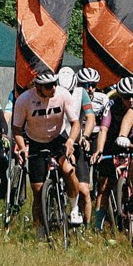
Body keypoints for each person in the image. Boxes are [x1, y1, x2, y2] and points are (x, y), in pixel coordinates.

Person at [12, 65, 90, 234]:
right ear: (38, 87)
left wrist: (70, 141)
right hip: (36, 142)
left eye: (54, 83)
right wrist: (22, 147)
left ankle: (74, 208)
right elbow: (16, 129)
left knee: (68, 171)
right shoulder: (24, 100)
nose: (53, 88)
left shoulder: (62, 94)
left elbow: (76, 123)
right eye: (48, 86)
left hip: (58, 139)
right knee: (38, 190)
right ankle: (40, 230)